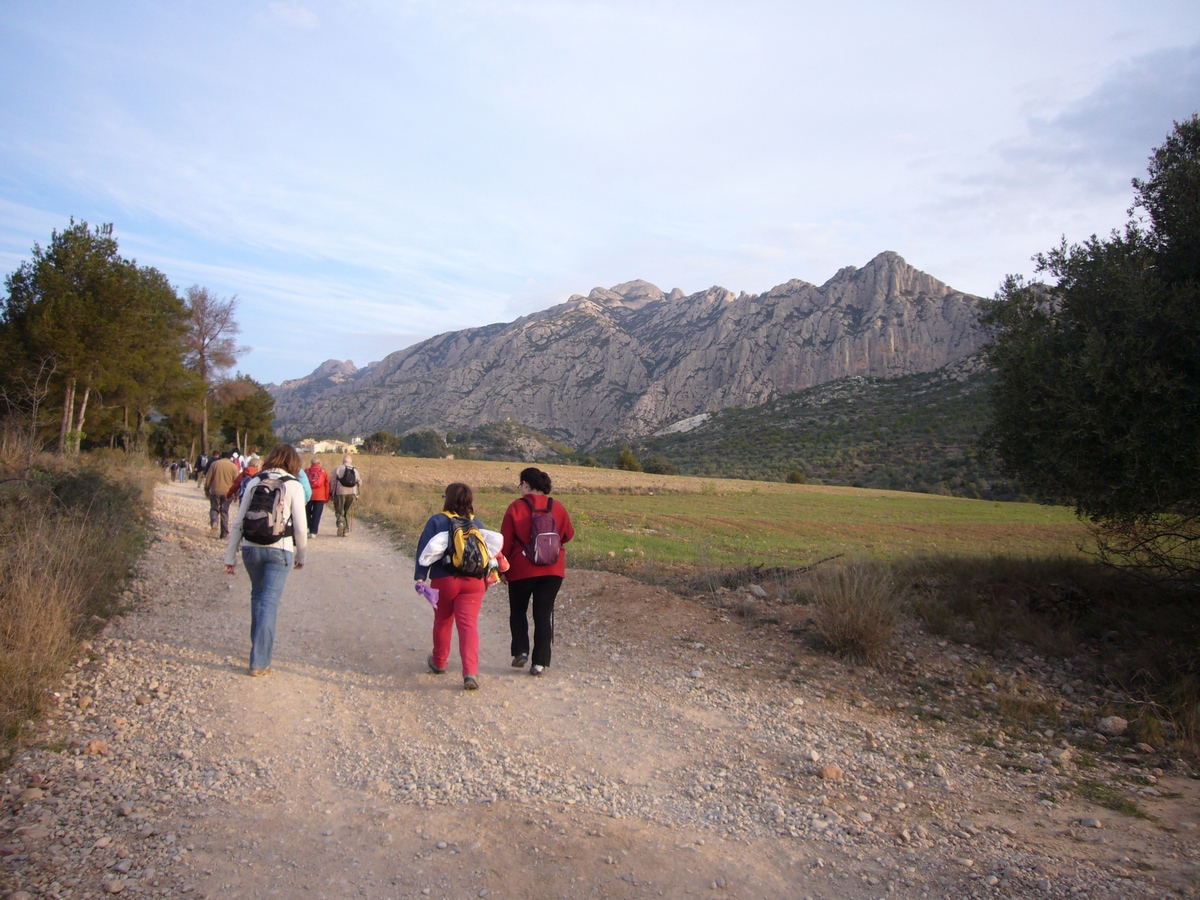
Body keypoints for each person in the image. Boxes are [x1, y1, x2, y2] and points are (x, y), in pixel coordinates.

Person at [223, 442, 308, 676]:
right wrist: (301, 555)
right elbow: (301, 528)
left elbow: (238, 522)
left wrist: (230, 557)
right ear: (294, 462)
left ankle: (257, 649)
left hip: (251, 547)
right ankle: (260, 661)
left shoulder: (254, 481)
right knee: (269, 601)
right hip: (280, 549)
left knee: (258, 596)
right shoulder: (293, 485)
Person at [500, 467, 574, 676]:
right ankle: (540, 663)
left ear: (525, 484)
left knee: (518, 611)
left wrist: (501, 568)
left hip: (522, 569)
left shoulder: (516, 507)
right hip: (552, 570)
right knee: (543, 615)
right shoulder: (557, 507)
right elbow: (568, 535)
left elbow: (505, 541)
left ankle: (521, 651)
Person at [414, 482, 488, 691]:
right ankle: (470, 672)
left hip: (444, 580)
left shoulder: (437, 521)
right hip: (474, 582)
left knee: (443, 621)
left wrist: (420, 577)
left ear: (447, 499)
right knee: (468, 625)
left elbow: (424, 551)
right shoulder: (477, 523)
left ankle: (439, 662)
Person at [204, 452, 241, 539]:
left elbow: (208, 478)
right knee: (224, 511)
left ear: (221, 456)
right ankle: (224, 533)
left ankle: (214, 522)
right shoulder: (233, 467)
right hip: (228, 493)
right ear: (230, 457)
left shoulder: (214, 464)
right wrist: (236, 494)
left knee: (214, 508)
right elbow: (236, 481)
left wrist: (206, 489)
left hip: (215, 491)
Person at [331, 454, 361, 537]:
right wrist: (357, 494)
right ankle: (346, 531)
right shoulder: (355, 470)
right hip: (352, 493)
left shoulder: (338, 468)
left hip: (340, 492)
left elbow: (333, 481)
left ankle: (340, 523)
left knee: (339, 510)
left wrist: (332, 492)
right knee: (347, 511)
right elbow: (359, 482)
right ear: (351, 461)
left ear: (343, 461)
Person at [305, 456, 330, 537]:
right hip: (320, 496)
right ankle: (313, 532)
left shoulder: (306, 471)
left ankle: (308, 527)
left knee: (307, 512)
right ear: (319, 463)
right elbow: (327, 485)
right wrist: (326, 497)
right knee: (317, 514)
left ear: (311, 463)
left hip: (308, 496)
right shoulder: (324, 472)